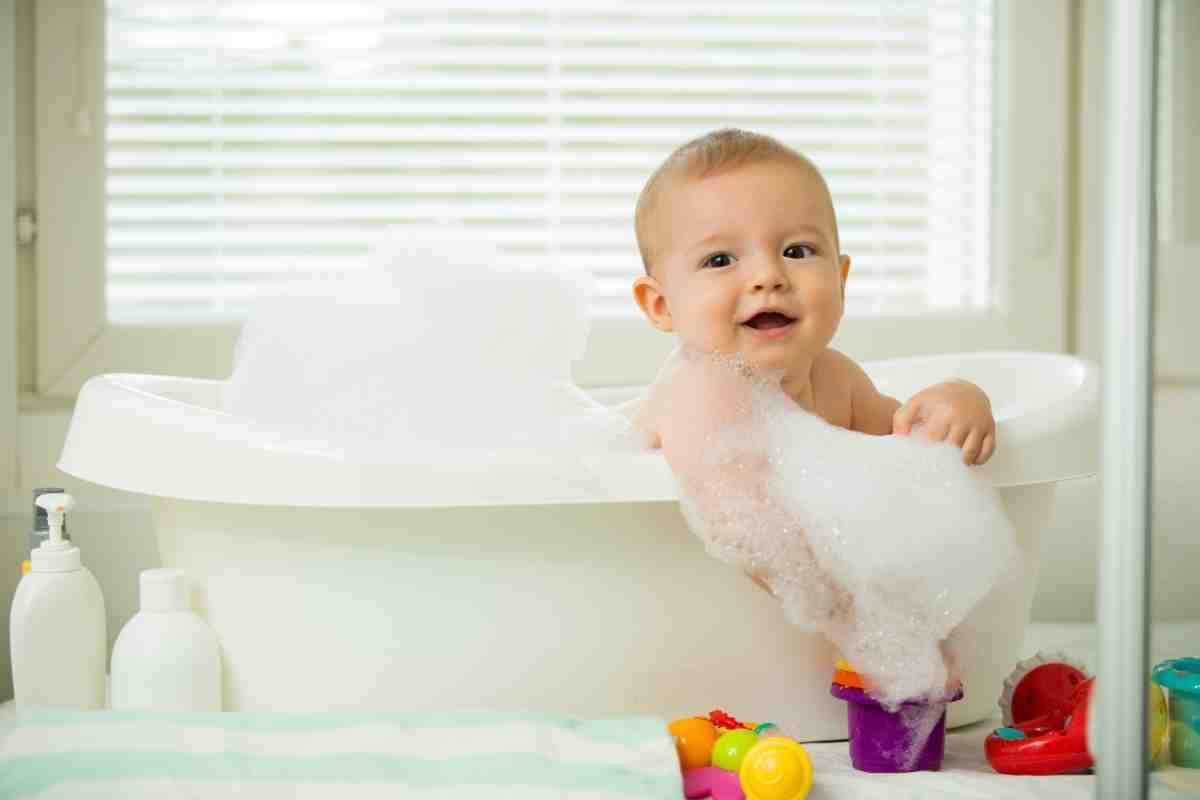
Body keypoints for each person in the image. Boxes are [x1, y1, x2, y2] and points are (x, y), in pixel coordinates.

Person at [629, 128, 996, 466]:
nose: (768, 276)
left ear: (840, 281)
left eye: (797, 251)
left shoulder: (838, 383)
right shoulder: (687, 398)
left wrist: (959, 402)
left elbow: (907, 443)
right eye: (720, 260)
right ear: (661, 306)